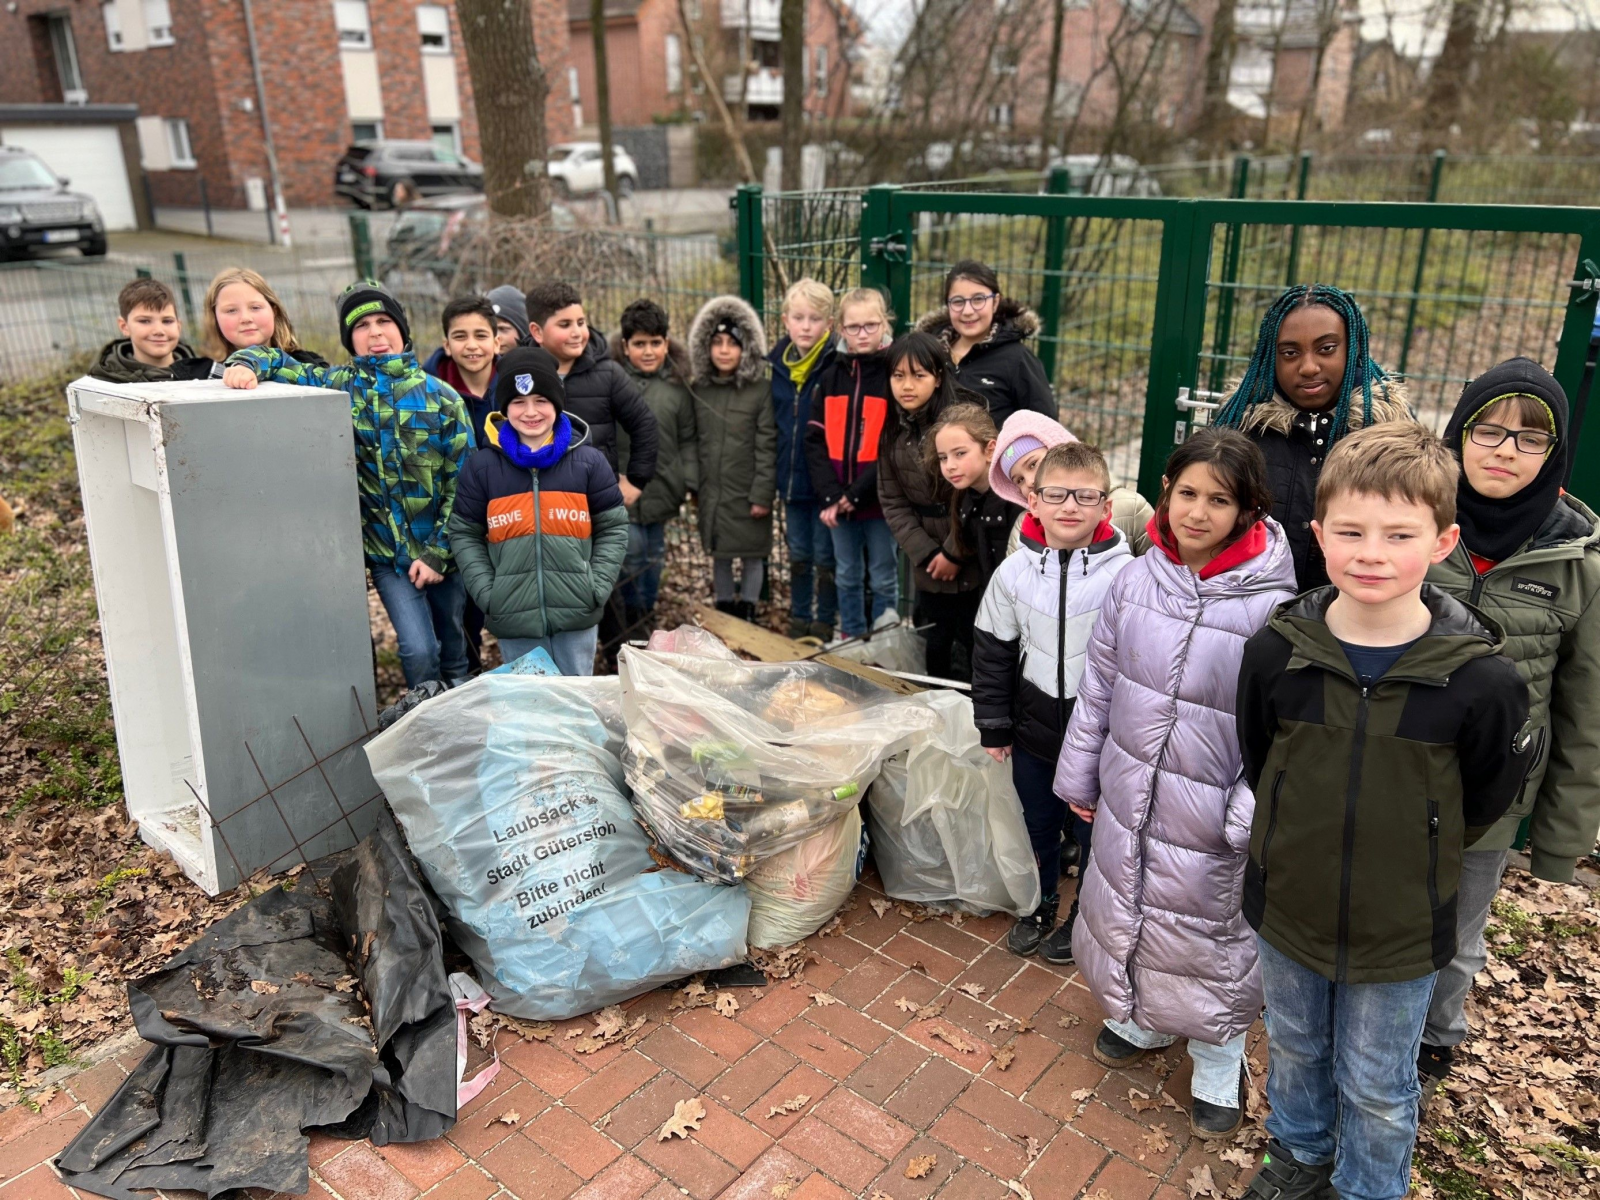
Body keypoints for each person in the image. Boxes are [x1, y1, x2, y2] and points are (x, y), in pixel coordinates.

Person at [1235, 422, 1532, 1200]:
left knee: (1376, 1080)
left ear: (1443, 541)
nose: (1371, 552)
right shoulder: (1276, 654)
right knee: (1296, 1047)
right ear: (1318, 534)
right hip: (1290, 905)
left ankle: (1368, 1185)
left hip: (1400, 926)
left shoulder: (1482, 684)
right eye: (1351, 531)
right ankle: (1299, 1153)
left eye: (1399, 534)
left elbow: (1488, 794)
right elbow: (1260, 757)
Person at [1055, 429, 1296, 1139]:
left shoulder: (1272, 607)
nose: (1198, 512)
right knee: (1128, 905)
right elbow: (1098, 686)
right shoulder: (1135, 579)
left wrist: (1247, 813)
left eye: (1219, 500)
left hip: (1212, 810)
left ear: (1247, 508)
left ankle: (1218, 1060)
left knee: (1210, 937)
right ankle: (1139, 1020)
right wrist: (1082, 770)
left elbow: (1284, 730)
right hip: (1131, 791)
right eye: (1187, 493)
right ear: (1165, 492)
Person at [1418, 357, 1600, 1102]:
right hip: (1400, 767)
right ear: (1459, 433)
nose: (1503, 449)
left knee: (1455, 932)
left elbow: (1584, 711)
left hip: (1493, 799)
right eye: (1488, 429)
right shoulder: (1418, 522)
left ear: (1554, 453)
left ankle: (1433, 1039)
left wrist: (1560, 842)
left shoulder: (1578, 561)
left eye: (1529, 438)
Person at [222, 280, 473, 690]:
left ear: (402, 330)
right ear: (348, 339)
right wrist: (246, 364)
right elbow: (281, 362)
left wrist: (438, 553)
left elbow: (463, 483)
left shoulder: (442, 399)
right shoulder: (340, 386)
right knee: (418, 649)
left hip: (443, 552)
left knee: (453, 645)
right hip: (387, 557)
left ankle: (461, 711)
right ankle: (424, 717)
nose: (375, 333)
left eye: (383, 321)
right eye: (361, 326)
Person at [971, 439, 1131, 961]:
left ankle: (1082, 912)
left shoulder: (1128, 575)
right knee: (1037, 821)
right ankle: (1041, 902)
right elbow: (992, 651)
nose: (1069, 507)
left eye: (1084, 496)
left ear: (1105, 507)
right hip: (1034, 730)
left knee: (1091, 835)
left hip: (1100, 738)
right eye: (1056, 494)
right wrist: (994, 725)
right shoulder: (1013, 574)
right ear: (1033, 502)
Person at [1212, 283, 1411, 592]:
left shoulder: (1391, 440)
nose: (1308, 367)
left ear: (1353, 349)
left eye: (1326, 349)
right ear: (1271, 357)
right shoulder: (1238, 431)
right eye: (1290, 353)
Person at [447, 347, 628, 676]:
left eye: (541, 401)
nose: (530, 412)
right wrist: (490, 594)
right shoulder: (482, 468)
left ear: (557, 405)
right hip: (515, 618)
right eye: (518, 402)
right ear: (504, 408)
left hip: (578, 614)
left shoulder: (588, 462)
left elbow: (614, 528)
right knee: (530, 710)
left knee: (573, 705)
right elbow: (463, 533)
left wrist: (596, 586)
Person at [878, 331, 986, 679]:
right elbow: (892, 501)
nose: (907, 385)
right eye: (899, 376)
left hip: (972, 553)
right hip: (927, 563)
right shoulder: (892, 431)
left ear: (938, 377)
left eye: (918, 375)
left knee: (973, 641)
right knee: (934, 641)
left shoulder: (960, 423)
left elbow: (975, 489)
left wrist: (954, 552)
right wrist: (927, 554)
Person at [806, 287, 898, 640]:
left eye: (871, 325)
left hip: (880, 501)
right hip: (839, 503)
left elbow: (893, 448)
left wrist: (854, 495)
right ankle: (852, 639)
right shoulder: (831, 376)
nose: (863, 334)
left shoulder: (894, 374)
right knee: (846, 573)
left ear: (884, 324)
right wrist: (831, 496)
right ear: (841, 329)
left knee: (883, 573)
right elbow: (813, 440)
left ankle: (884, 642)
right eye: (854, 327)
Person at [523, 281, 659, 508]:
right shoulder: (521, 374)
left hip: (596, 502)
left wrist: (636, 480)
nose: (577, 332)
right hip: (538, 503)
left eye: (581, 322)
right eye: (565, 324)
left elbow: (644, 424)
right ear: (537, 332)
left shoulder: (609, 374)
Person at [613, 299, 699, 629]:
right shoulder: (613, 382)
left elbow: (688, 437)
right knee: (629, 555)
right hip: (622, 490)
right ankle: (630, 620)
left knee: (654, 557)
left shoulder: (678, 387)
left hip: (664, 488)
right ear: (625, 345)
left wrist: (686, 481)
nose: (648, 351)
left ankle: (648, 614)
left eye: (655, 343)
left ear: (666, 343)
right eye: (639, 344)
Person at [690, 296, 776, 619]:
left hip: (749, 490)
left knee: (753, 554)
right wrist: (695, 485)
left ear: (747, 348)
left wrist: (763, 494)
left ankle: (749, 608)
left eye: (732, 343)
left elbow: (767, 444)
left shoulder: (760, 390)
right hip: (714, 491)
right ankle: (725, 607)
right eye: (717, 343)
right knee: (721, 553)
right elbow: (693, 439)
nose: (724, 350)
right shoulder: (699, 388)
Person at [770, 278, 840, 640]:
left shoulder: (835, 366)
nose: (806, 326)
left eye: (815, 319)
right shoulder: (777, 368)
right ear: (786, 321)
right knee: (798, 553)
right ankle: (798, 618)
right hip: (791, 479)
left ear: (829, 325)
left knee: (826, 556)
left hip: (826, 481)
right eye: (799, 318)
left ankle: (825, 620)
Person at [989, 410, 1153, 557]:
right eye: (1019, 480)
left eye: (1033, 464)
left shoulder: (1130, 507)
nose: (1030, 482)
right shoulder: (1023, 526)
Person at [915, 259, 1056, 427]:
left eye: (978, 299)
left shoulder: (1017, 359)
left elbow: (1046, 428)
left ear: (995, 302)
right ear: (948, 305)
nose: (968, 311)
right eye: (958, 302)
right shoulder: (930, 353)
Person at [172, 267, 326, 379]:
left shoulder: (309, 366)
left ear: (274, 310)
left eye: (255, 307)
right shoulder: (193, 376)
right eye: (231, 310)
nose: (245, 318)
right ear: (214, 318)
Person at [932, 404, 1019, 590]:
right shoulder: (966, 499)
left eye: (960, 454)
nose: (950, 466)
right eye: (943, 457)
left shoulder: (1016, 501)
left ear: (989, 450)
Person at [424, 296, 500, 445]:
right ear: (447, 346)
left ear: (496, 343)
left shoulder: (514, 384)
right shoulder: (427, 391)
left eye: (481, 336)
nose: (471, 345)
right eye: (460, 336)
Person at [91, 278, 197, 383]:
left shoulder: (204, 375)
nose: (159, 331)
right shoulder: (103, 382)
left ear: (178, 326)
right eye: (145, 321)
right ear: (124, 326)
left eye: (167, 321)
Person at [486, 284, 531, 353]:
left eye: (502, 329)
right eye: (490, 329)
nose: (496, 336)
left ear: (522, 330)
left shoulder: (536, 362)